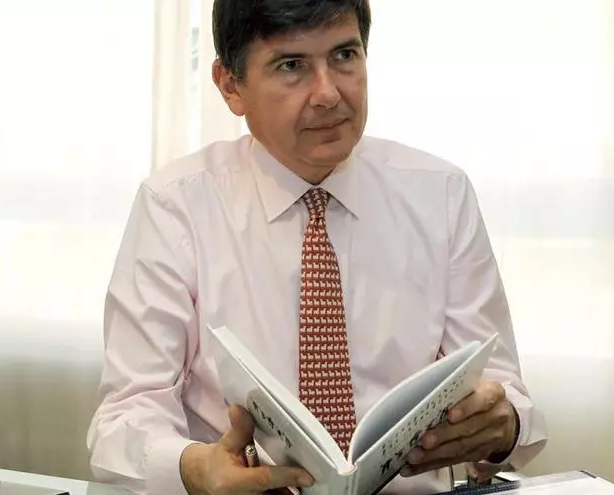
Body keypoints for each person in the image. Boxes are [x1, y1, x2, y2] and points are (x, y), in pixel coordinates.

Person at [86, 1, 547, 494]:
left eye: (345, 55)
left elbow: (503, 392)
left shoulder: (441, 195)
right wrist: (193, 467)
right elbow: (125, 418)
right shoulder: (176, 207)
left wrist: (502, 427)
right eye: (292, 66)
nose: (328, 94)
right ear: (230, 86)